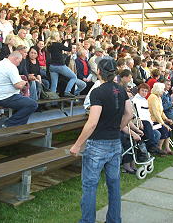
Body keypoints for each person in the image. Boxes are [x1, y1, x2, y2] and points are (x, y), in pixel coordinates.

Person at [70, 58, 133, 223]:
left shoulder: (97, 92)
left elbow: (92, 123)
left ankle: (87, 221)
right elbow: (129, 113)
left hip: (97, 144)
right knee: (114, 185)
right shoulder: (121, 90)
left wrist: (77, 145)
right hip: (115, 143)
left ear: (98, 71)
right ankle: (114, 220)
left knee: (90, 185)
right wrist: (119, 127)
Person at [0, 51, 38, 127]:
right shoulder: (11, 67)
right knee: (33, 104)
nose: (19, 64)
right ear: (15, 58)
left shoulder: (0, 63)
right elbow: (18, 85)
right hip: (6, 97)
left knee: (26, 102)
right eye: (19, 62)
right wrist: (25, 82)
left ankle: (21, 126)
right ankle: (9, 123)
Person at [46, 31, 78, 97]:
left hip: (52, 66)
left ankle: (51, 102)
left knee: (54, 85)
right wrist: (69, 40)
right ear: (56, 36)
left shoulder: (49, 45)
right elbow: (69, 49)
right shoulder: (58, 44)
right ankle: (67, 91)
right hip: (60, 65)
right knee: (74, 77)